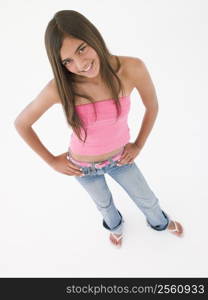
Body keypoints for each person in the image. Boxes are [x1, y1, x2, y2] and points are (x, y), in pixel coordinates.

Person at [14, 10, 183, 248]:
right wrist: (51, 160)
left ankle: (161, 223)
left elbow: (152, 106)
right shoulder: (59, 87)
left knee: (145, 197)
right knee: (103, 205)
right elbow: (22, 123)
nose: (80, 64)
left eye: (81, 48)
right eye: (67, 61)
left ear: (93, 36)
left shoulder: (131, 68)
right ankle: (115, 227)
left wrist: (138, 144)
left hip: (121, 158)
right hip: (82, 167)